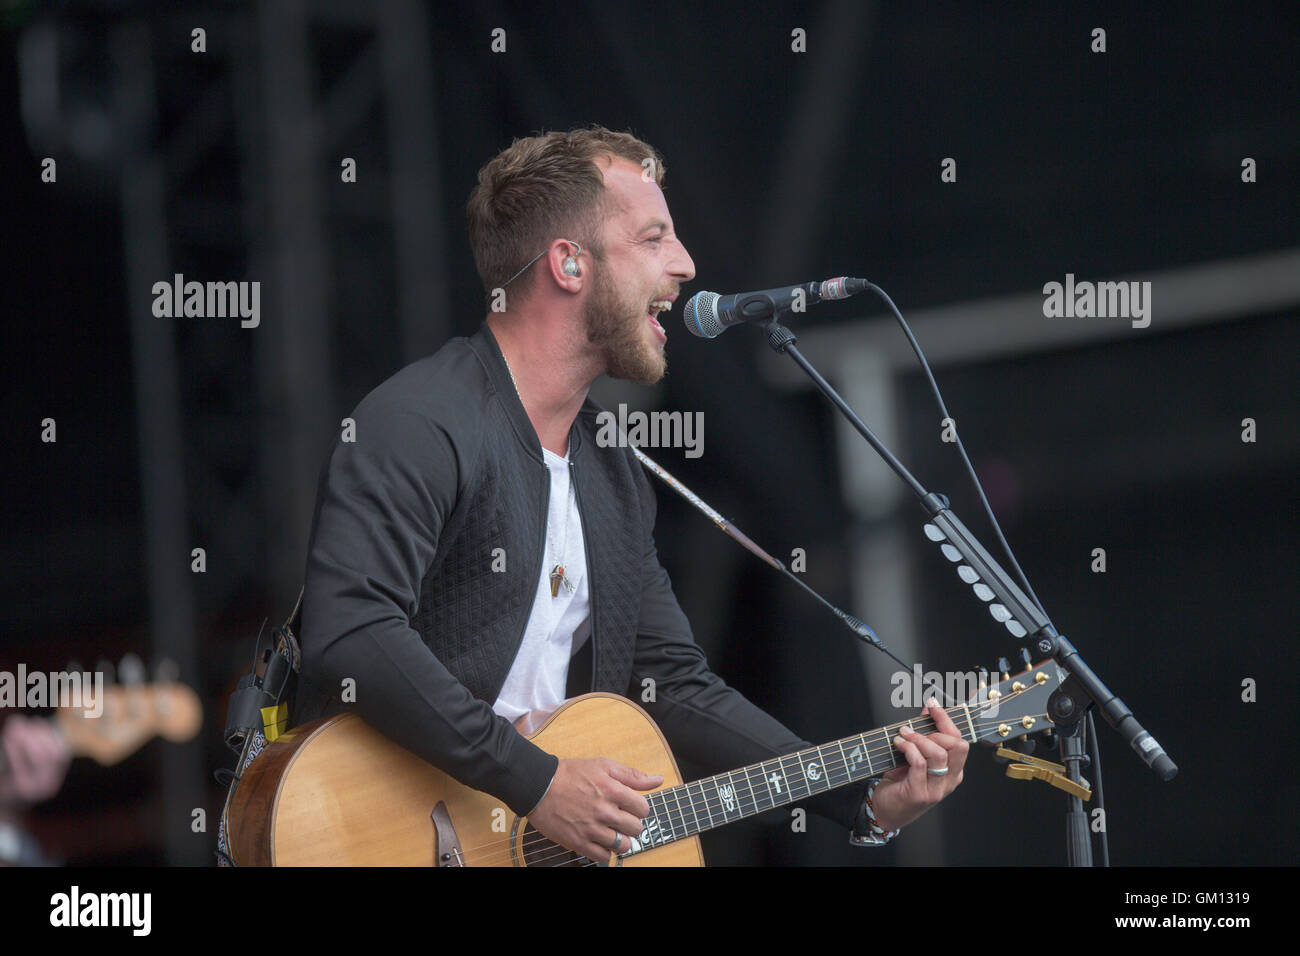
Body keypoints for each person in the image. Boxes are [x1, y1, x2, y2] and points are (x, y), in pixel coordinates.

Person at [292, 126, 967, 863]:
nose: (684, 265)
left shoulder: (611, 470)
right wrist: (538, 781)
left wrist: (859, 796)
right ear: (569, 263)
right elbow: (351, 632)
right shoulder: (421, 421)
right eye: (654, 238)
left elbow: (673, 684)